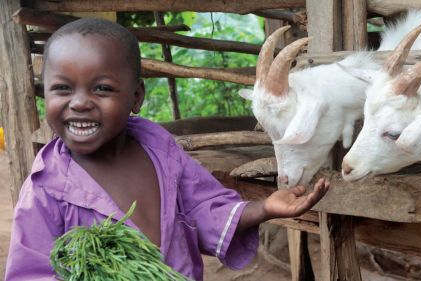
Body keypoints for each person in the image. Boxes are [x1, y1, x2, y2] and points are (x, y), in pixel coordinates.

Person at [5, 18, 329, 281]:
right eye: (62, 88)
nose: (78, 103)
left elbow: (202, 208)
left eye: (102, 88)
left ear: (136, 97)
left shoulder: (158, 149)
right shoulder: (47, 188)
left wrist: (262, 209)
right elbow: (29, 273)